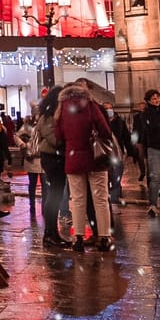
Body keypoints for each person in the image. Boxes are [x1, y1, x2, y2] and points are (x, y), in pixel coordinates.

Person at [57, 81, 115, 252]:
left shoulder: (62, 108)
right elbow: (105, 130)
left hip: (74, 158)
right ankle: (104, 237)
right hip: (95, 157)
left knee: (77, 199)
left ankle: (78, 238)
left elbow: (59, 135)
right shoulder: (91, 105)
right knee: (100, 198)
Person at [35, 86, 69, 245]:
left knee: (55, 195)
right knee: (54, 196)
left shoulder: (51, 115)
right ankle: (50, 233)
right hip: (52, 158)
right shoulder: (49, 117)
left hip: (54, 158)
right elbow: (55, 139)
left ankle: (51, 233)